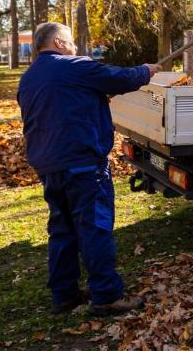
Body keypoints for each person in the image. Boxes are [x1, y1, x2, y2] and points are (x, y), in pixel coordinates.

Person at [17, 23, 160, 316]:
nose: (75, 47)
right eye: (70, 42)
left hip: (49, 165)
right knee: (95, 227)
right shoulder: (72, 66)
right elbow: (117, 78)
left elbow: (61, 106)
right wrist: (146, 71)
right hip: (82, 164)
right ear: (58, 43)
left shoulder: (29, 78)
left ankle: (64, 294)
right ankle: (106, 295)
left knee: (62, 229)